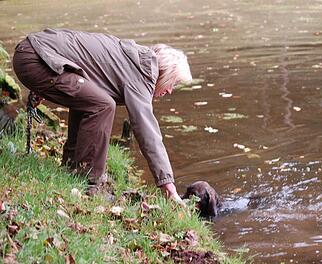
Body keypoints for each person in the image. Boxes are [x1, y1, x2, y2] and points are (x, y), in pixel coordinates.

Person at [12, 28, 192, 203]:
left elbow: (77, 58)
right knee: (103, 105)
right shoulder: (142, 75)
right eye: (173, 83)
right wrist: (167, 184)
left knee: (93, 100)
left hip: (33, 54)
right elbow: (147, 132)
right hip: (35, 59)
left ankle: (71, 168)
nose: (169, 90)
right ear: (166, 72)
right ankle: (88, 180)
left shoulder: (132, 60)